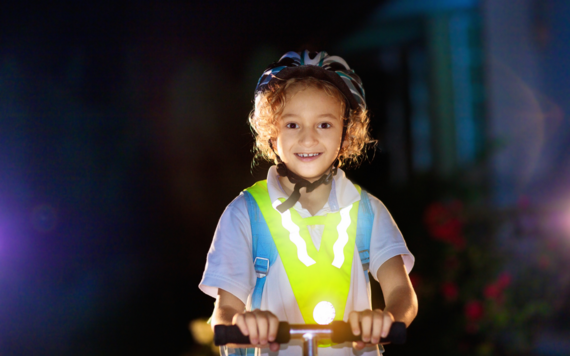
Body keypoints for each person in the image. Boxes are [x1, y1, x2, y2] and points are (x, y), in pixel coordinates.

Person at [199, 50, 417, 356]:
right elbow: (223, 312)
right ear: (271, 132)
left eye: (324, 125)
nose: (308, 139)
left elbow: (401, 292)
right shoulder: (245, 214)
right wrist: (245, 324)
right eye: (292, 125)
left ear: (346, 132)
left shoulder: (366, 211)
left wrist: (385, 319)